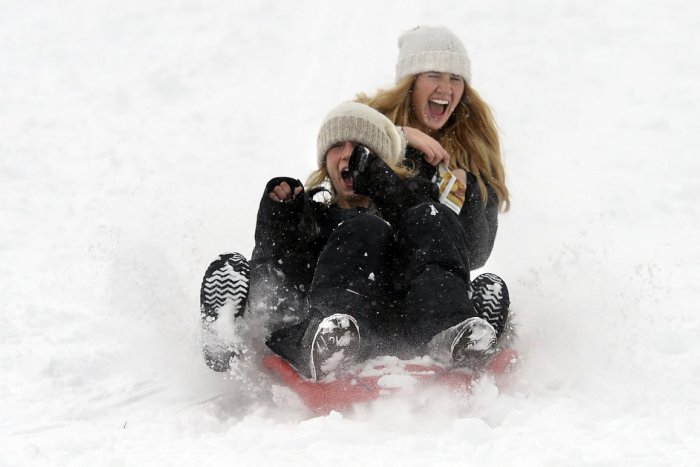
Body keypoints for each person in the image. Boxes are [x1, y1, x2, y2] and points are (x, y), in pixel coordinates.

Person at [243, 101, 509, 381]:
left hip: (412, 324)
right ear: (325, 162)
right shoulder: (315, 214)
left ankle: (452, 332)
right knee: (364, 227)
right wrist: (280, 214)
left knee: (431, 215)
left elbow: (444, 240)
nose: (347, 155)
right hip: (339, 325)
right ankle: (333, 343)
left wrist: (382, 183)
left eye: (360, 149)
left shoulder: (411, 199)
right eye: (337, 147)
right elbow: (278, 271)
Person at [355, 24, 512, 339]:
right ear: (411, 83)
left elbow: (477, 253)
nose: (446, 87)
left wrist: (469, 195)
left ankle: (469, 331)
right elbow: (343, 180)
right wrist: (396, 138)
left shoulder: (473, 154)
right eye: (434, 75)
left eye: (455, 78)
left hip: (433, 293)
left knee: (489, 285)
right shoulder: (367, 126)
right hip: (369, 277)